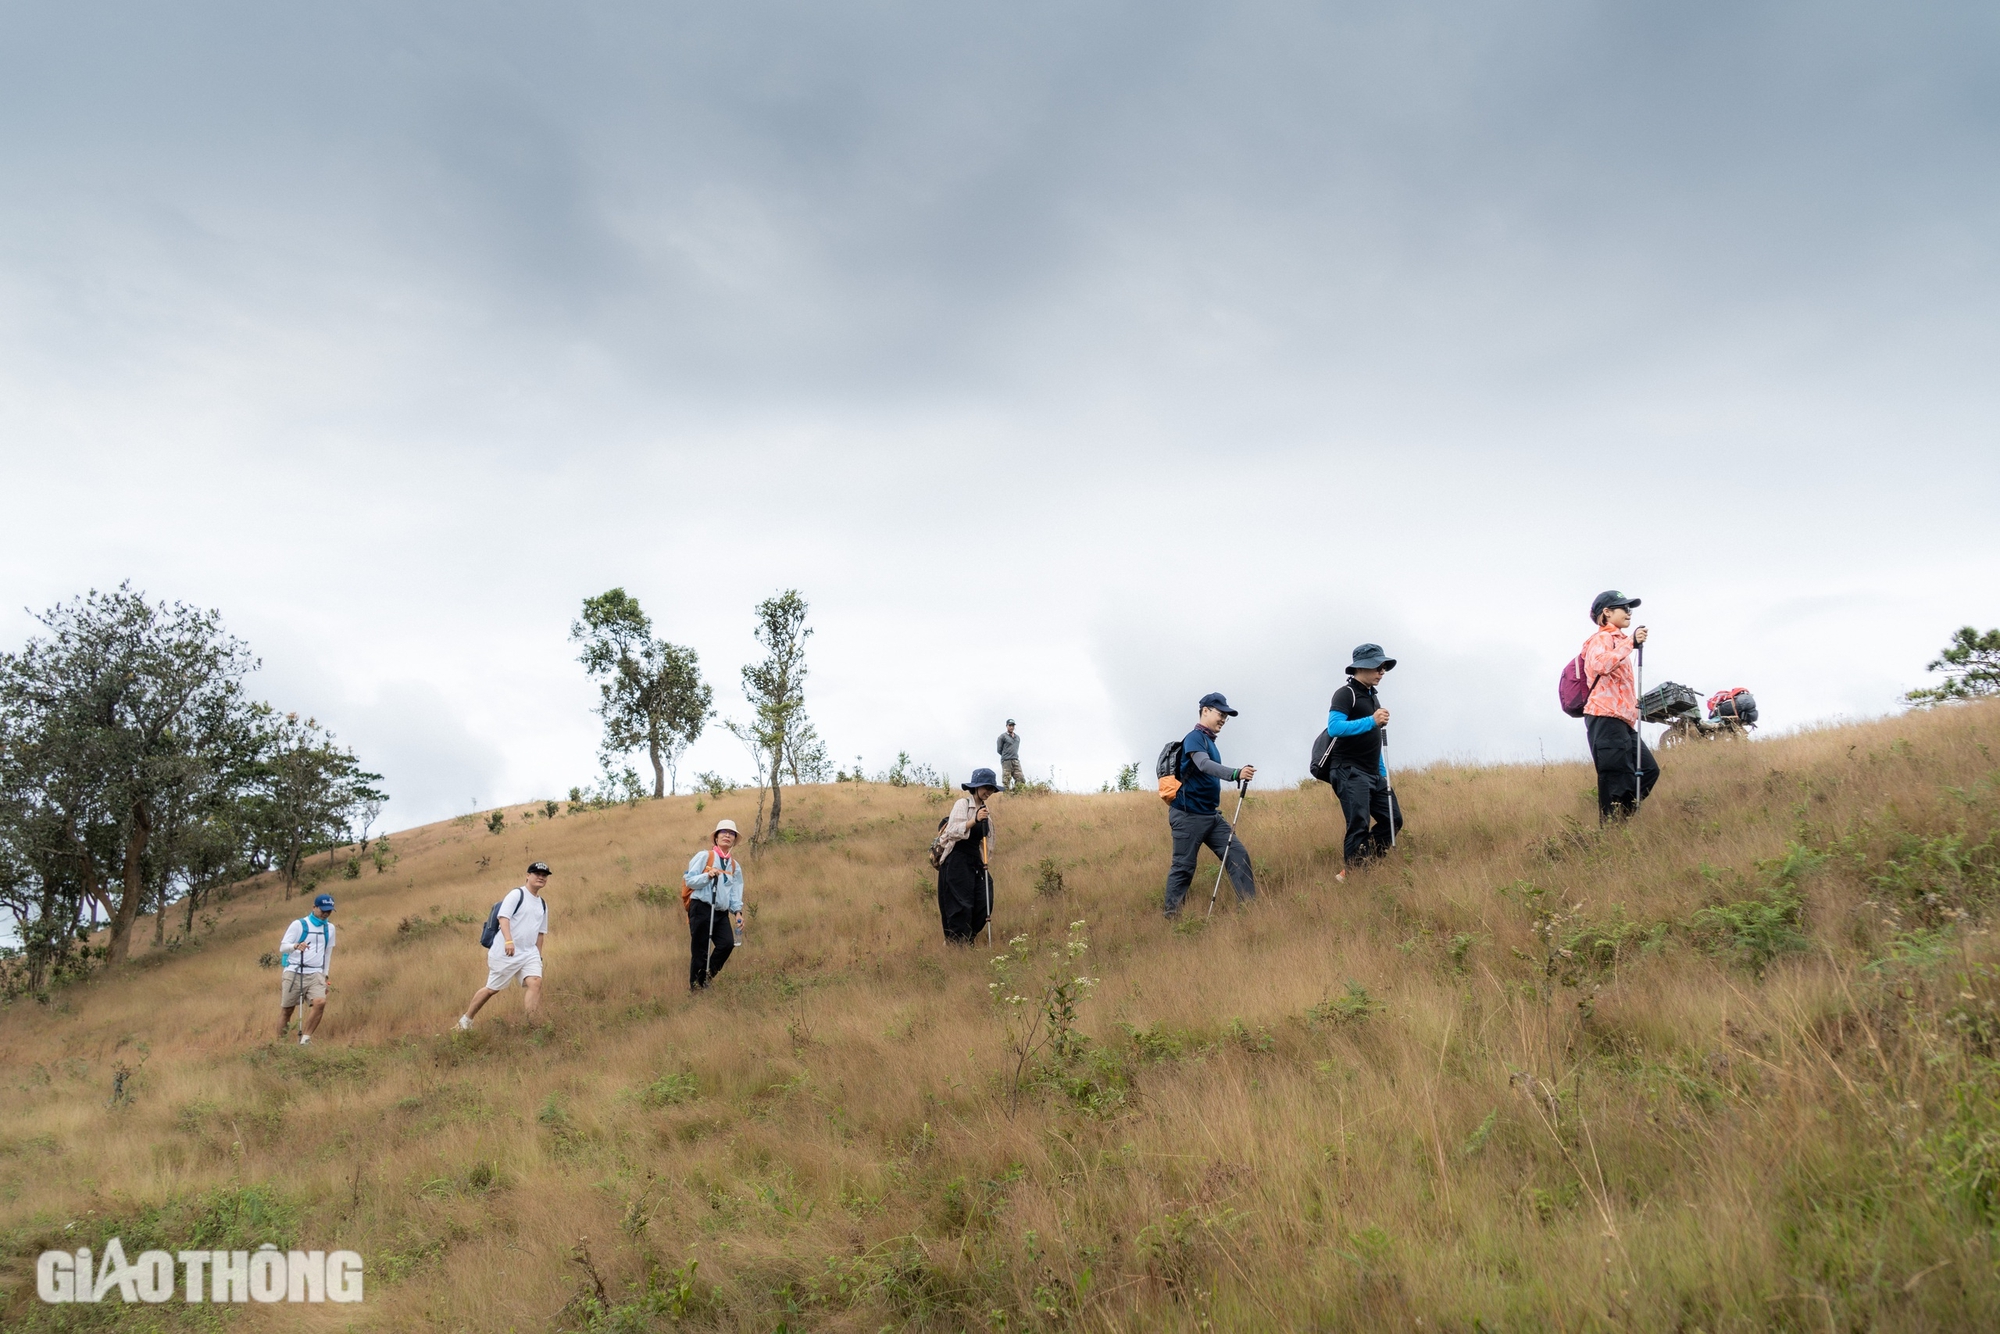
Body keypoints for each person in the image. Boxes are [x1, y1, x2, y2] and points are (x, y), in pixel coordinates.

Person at [1163, 693, 1257, 918]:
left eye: (1226, 715)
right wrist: (1235, 773)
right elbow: (1204, 765)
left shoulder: (1210, 742)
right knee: (1183, 868)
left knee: (1238, 854)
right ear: (1205, 710)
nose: (1223, 719)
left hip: (1210, 816)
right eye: (1220, 713)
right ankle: (1171, 919)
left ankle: (1250, 911)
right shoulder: (1194, 738)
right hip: (1187, 816)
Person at [1326, 644, 1404, 873]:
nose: (1382, 672)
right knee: (1358, 824)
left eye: (1383, 668)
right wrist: (1372, 720)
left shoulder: (1373, 698)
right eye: (1377, 667)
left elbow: (1373, 743)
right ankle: (1358, 875)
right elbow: (1334, 727)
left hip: (1373, 773)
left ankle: (1361, 865)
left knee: (1393, 819)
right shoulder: (1345, 694)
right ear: (1361, 667)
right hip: (1348, 770)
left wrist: (1382, 774)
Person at [1582, 590, 1660, 821]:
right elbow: (1599, 664)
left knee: (1649, 770)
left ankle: (1619, 822)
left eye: (1630, 608)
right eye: (1623, 608)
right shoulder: (1600, 639)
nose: (1629, 612)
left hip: (1623, 721)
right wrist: (1631, 643)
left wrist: (1628, 643)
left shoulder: (1619, 642)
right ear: (1606, 612)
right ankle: (1611, 832)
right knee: (1615, 779)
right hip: (1605, 717)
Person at [457, 862, 551, 1029]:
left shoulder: (542, 904)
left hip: (529, 952)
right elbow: (503, 918)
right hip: (506, 951)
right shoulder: (517, 894)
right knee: (492, 989)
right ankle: (466, 1020)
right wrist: (508, 941)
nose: (541, 877)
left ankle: (532, 1024)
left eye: (544, 875)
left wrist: (539, 956)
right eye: (537, 873)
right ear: (528, 875)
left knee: (535, 982)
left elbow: (540, 933)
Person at [936, 767, 999, 943]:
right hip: (956, 860)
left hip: (975, 862)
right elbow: (952, 832)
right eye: (986, 787)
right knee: (960, 904)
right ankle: (958, 944)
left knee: (984, 901)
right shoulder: (962, 805)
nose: (989, 792)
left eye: (992, 788)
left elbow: (988, 842)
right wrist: (975, 820)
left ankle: (969, 937)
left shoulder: (986, 811)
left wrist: (984, 860)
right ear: (976, 787)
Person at [682, 818, 745, 991]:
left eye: (731, 833)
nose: (727, 835)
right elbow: (689, 881)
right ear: (716, 837)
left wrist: (737, 911)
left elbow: (735, 890)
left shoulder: (734, 865)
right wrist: (707, 876)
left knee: (727, 944)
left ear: (734, 840)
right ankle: (696, 989)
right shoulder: (705, 856)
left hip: (721, 912)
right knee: (700, 950)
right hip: (701, 908)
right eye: (723, 832)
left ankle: (705, 978)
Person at [276, 893, 337, 1044]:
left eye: (329, 911)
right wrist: (296, 946)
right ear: (314, 907)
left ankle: (305, 1039)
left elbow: (327, 953)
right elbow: (283, 947)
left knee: (320, 1003)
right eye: (322, 909)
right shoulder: (299, 924)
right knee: (287, 1010)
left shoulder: (330, 928)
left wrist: (325, 975)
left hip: (316, 973)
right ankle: (280, 1044)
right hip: (294, 972)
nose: (325, 913)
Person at [996, 720, 1024, 790]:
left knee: (1020, 778)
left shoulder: (1017, 737)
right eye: (1010, 725)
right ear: (1007, 726)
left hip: (1015, 760)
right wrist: (1006, 755)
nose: (1011, 727)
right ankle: (1007, 796)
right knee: (1006, 780)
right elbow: (999, 749)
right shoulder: (1002, 737)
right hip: (1006, 761)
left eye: (1013, 726)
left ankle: (1016, 793)